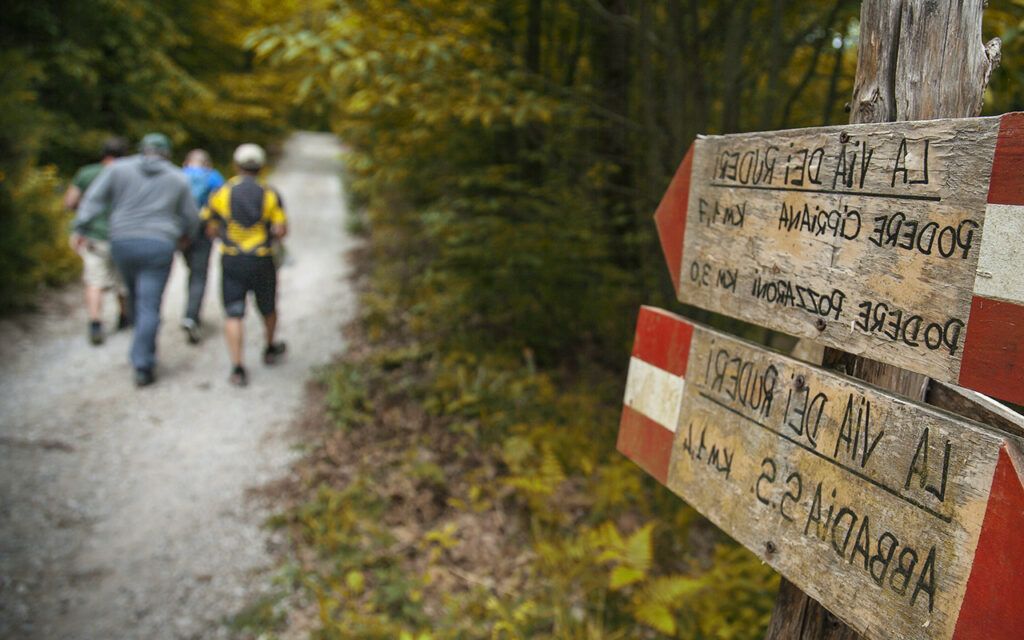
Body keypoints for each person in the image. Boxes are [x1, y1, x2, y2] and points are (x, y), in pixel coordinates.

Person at [74, 133, 199, 387]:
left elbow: (93, 199)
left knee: (134, 296)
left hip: (122, 241)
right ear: (167, 153)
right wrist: (186, 237)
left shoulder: (118, 170)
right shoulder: (178, 177)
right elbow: (192, 216)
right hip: (160, 245)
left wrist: (80, 228)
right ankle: (143, 363)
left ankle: (139, 346)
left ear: (142, 150)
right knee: (149, 304)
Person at [201, 143, 287, 387]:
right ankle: (270, 347)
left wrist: (226, 238)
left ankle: (237, 366)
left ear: (236, 165)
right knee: (268, 305)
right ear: (261, 167)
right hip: (261, 258)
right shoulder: (269, 193)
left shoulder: (222, 193)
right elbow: (281, 230)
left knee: (233, 311)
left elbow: (210, 227)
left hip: (232, 258)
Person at [65, 137, 131, 345]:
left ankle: (95, 322)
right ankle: (124, 316)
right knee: (123, 280)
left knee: (94, 281)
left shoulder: (86, 173)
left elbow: (69, 202)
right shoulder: (131, 174)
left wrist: (79, 224)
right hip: (124, 236)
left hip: (94, 236)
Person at [179, 148, 225, 344]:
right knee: (199, 274)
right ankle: (191, 316)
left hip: (180, 232)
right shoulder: (214, 177)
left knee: (189, 269)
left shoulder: (177, 176)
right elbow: (224, 204)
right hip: (204, 231)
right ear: (208, 164)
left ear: (186, 162)